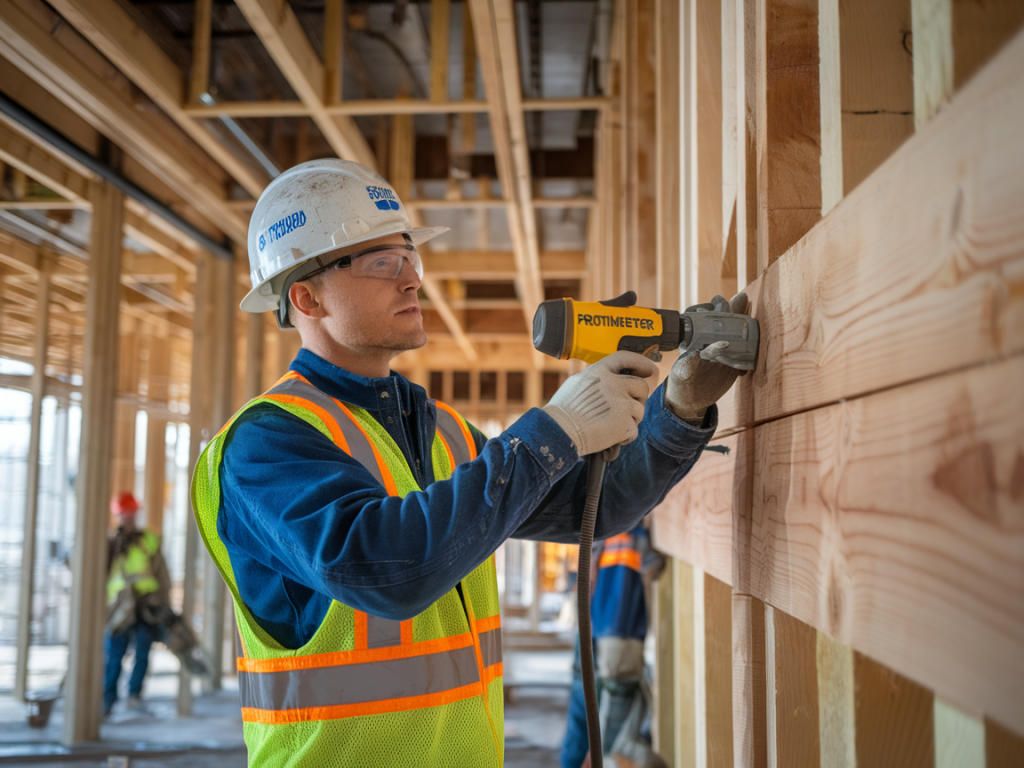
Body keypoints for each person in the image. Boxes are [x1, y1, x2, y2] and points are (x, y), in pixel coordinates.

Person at [190, 158, 749, 767]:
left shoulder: (442, 430)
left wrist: (680, 409)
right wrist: (552, 431)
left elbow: (592, 506)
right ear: (306, 295)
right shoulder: (265, 443)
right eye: (382, 263)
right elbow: (385, 567)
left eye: (411, 259)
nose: (411, 280)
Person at [561, 524, 666, 768]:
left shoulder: (597, 527)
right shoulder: (634, 531)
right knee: (610, 732)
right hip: (620, 634)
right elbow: (653, 564)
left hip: (589, 627)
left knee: (582, 713)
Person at [103, 491, 171, 717]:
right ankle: (108, 699)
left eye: (131, 512)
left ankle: (134, 696)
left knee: (142, 651)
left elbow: (161, 573)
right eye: (124, 513)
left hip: (144, 606)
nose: (128, 517)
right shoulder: (111, 544)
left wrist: (164, 604)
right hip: (120, 608)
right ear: (118, 515)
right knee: (114, 655)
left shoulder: (148, 539)